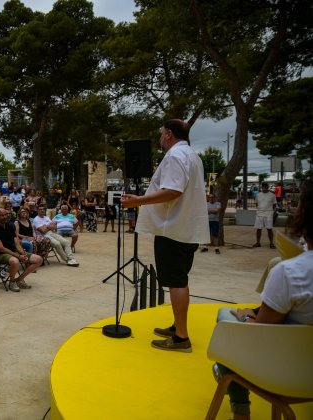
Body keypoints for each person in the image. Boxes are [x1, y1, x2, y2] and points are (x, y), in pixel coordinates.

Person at [213, 178, 313, 419]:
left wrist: (245, 318)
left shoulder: (292, 272)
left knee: (226, 317)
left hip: (286, 370)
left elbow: (264, 331)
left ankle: (240, 407)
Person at [122, 119, 209, 353]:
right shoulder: (192, 155)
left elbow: (172, 191)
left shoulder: (174, 157)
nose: (160, 138)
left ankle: (181, 338)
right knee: (179, 280)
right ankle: (177, 326)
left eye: (161, 133)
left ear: (169, 134)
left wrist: (138, 200)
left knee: (176, 282)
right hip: (187, 229)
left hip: (173, 230)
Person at [0, 208, 43, 292]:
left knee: (38, 259)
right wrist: (18, 256)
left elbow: (17, 243)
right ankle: (12, 282)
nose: (4, 217)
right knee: (15, 261)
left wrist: (23, 254)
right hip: (0, 255)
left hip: (14, 252)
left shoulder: (11, 226)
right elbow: (1, 248)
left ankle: (19, 279)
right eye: (2, 215)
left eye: (5, 215)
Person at [253, 182, 277, 248]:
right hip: (259, 213)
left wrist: (270, 211)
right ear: (262, 188)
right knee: (258, 229)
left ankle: (271, 243)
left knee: (269, 229)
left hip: (268, 213)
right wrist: (260, 209)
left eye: (266, 187)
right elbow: (257, 204)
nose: (264, 189)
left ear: (267, 187)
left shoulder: (272, 195)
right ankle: (258, 243)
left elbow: (274, 205)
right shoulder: (258, 195)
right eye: (263, 187)